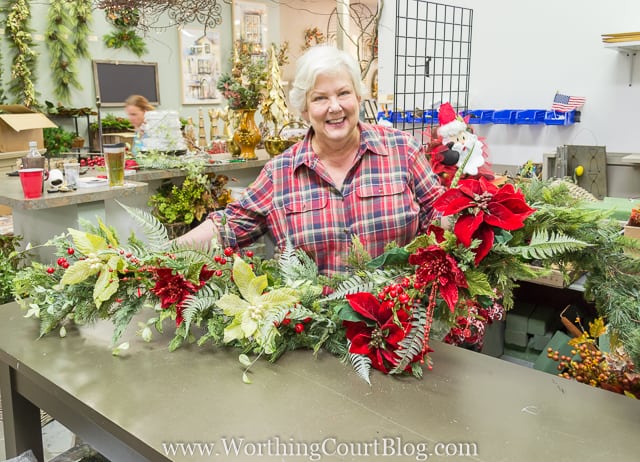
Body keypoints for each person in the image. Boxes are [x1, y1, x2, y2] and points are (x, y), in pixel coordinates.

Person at [177, 45, 444, 275]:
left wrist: (475, 216)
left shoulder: (402, 150)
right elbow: (228, 228)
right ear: (304, 110)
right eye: (320, 98)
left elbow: (438, 211)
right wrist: (160, 256)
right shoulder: (280, 173)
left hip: (400, 321)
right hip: (317, 330)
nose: (335, 107)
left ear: (359, 97)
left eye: (343, 93)